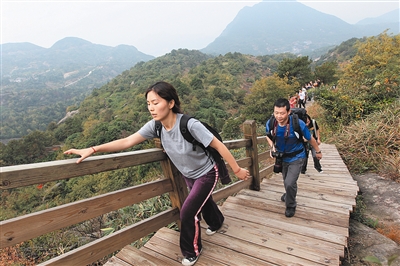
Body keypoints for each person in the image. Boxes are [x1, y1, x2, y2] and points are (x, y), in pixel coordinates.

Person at [64, 81, 250, 266]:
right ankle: (217, 222)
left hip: (207, 172)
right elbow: (127, 141)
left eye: (156, 102)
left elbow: (218, 144)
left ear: (170, 103)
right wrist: (92, 149)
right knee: (202, 200)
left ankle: (192, 251)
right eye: (148, 104)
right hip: (188, 173)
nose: (151, 108)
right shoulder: (156, 126)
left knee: (188, 212)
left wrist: (237, 170)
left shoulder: (190, 125)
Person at [265, 98, 322, 218]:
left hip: (297, 156)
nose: (279, 116)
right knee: (286, 180)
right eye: (276, 113)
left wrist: (318, 151)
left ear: (289, 112)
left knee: (290, 182)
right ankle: (288, 194)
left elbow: (310, 138)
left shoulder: (297, 124)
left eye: (282, 113)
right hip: (282, 158)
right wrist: (272, 147)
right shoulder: (271, 123)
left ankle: (291, 205)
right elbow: (268, 136)